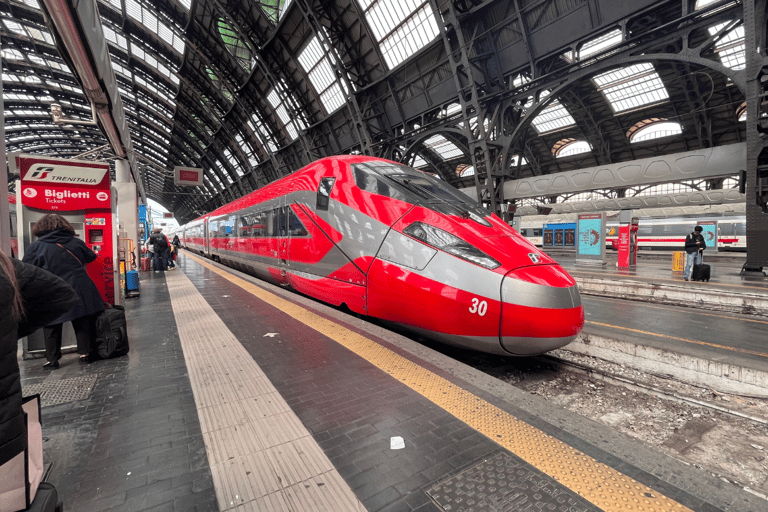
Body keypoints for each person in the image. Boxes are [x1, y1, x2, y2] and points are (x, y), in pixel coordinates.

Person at [1, 247, 78, 475]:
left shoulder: (35, 248)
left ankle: (52, 358)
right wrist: (9, 331)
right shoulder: (5, 265)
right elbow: (60, 293)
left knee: (52, 334)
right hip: (7, 422)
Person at [22, 214, 106, 366]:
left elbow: (27, 268)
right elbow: (91, 257)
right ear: (65, 226)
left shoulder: (36, 246)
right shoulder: (76, 242)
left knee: (51, 324)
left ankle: (52, 359)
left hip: (51, 289)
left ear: (40, 228)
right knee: (81, 320)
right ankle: (85, 353)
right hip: (79, 286)